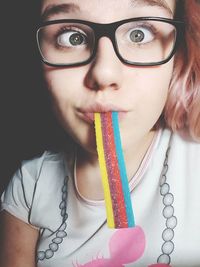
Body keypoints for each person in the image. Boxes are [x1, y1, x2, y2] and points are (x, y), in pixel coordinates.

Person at [1, 0, 200, 266]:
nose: (104, 73)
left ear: (180, 51)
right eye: (72, 36)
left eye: (139, 33)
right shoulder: (29, 189)